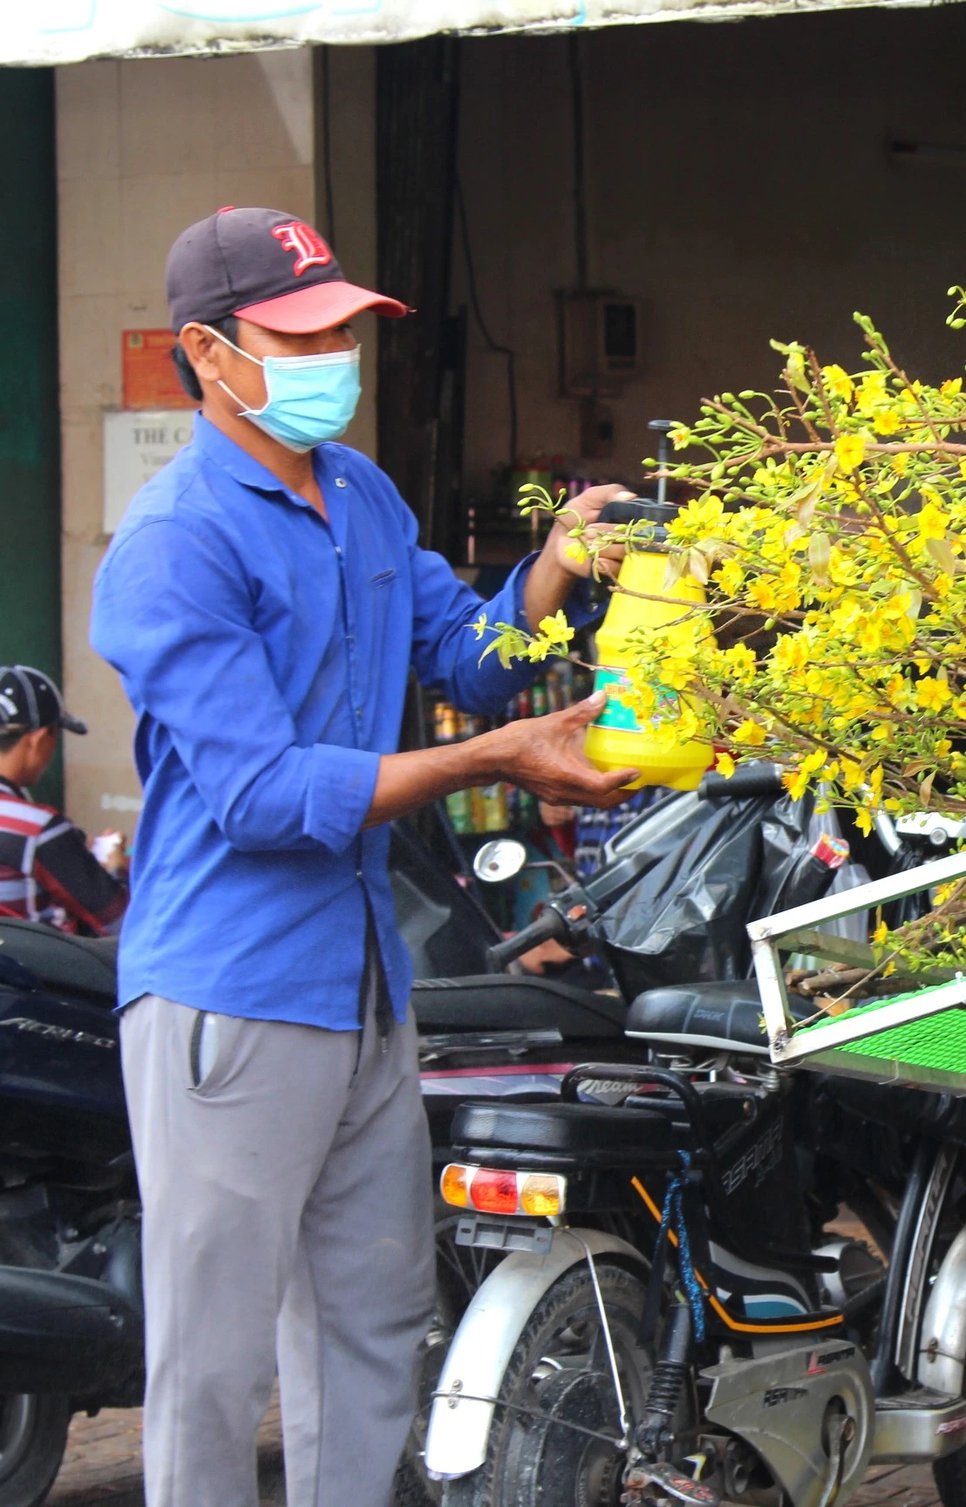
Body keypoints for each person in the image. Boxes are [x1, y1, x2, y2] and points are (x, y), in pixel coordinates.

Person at [88, 208, 639, 1507]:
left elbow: (465, 658)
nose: (336, 350)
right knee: (215, 1370)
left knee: (371, 1336)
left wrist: (554, 562)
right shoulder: (173, 542)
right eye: (303, 333)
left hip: (364, 990)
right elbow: (264, 794)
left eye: (343, 325)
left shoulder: (364, 496)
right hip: (228, 998)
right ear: (209, 354)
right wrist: (500, 761)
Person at [0, 665, 128, 935]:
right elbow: (120, 921)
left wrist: (76, 854)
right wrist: (116, 870)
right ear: (38, 738)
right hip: (29, 971)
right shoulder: (37, 828)